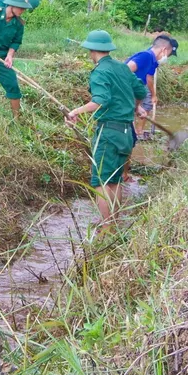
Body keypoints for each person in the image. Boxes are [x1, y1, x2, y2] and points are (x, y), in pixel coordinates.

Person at [64, 30, 148, 234]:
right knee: (116, 179)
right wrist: (136, 107)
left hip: (109, 132)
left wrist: (76, 111)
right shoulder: (123, 67)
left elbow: (100, 100)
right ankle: (114, 224)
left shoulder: (100, 71)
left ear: (92, 50)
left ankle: (106, 227)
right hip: (127, 133)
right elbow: (141, 92)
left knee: (101, 181)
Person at [125, 35, 178, 140]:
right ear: (163, 50)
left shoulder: (151, 59)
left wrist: (137, 106)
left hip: (130, 94)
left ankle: (133, 136)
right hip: (124, 93)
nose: (167, 57)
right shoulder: (146, 56)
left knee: (129, 131)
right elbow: (124, 71)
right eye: (168, 53)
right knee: (126, 126)